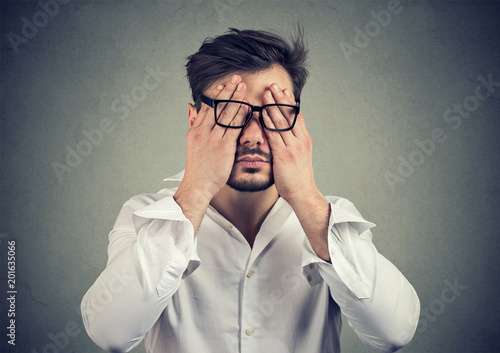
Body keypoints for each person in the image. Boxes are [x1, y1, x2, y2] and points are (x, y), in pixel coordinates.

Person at [81, 28, 420, 353]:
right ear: (194, 119)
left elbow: (393, 333)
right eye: (231, 113)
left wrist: (304, 195)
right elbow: (111, 334)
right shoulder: (144, 216)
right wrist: (197, 187)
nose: (254, 135)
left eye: (275, 113)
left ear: (298, 124)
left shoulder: (329, 221)